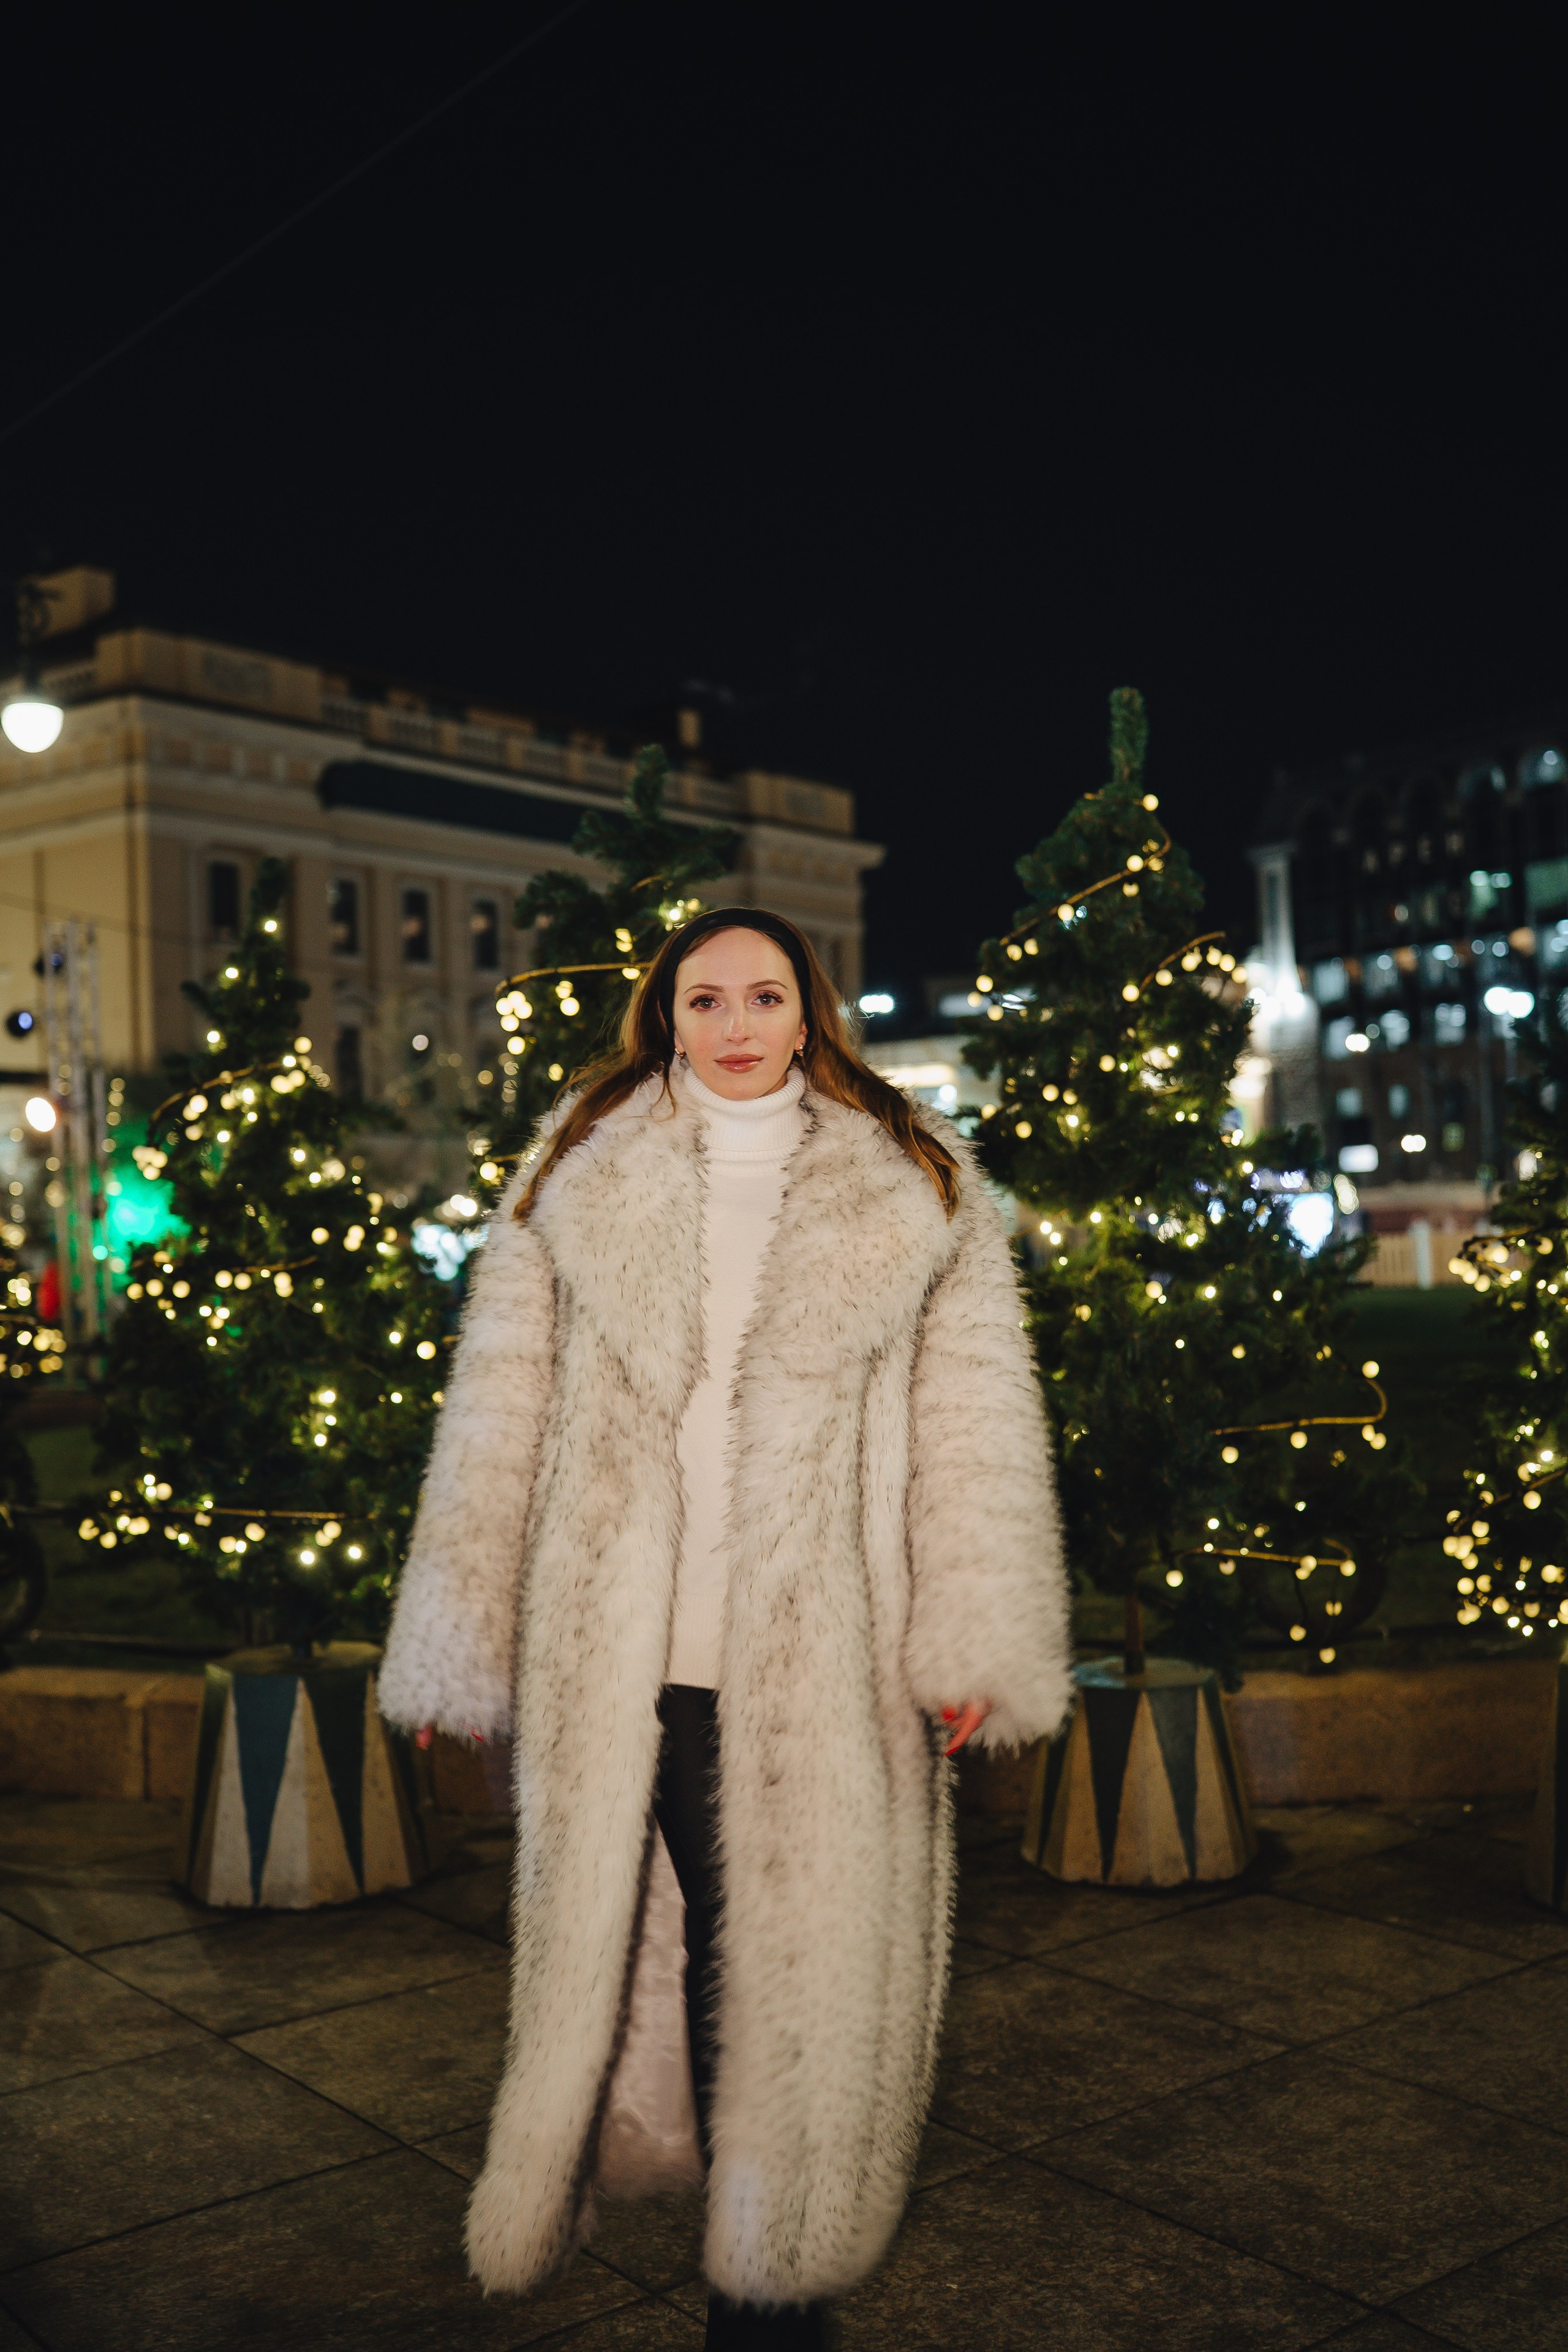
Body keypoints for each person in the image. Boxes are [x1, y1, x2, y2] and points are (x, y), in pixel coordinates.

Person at [378, 907, 1070, 2349]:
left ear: (809, 1013)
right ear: (667, 1015)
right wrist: (457, 1636)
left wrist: (975, 1637)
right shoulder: (577, 1172)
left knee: (780, 2002)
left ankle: (767, 2303)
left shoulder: (917, 1182)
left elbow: (977, 1433)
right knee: (659, 1963)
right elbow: (494, 1425)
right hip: (617, 1657)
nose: (737, 1026)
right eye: (707, 1000)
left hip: (826, 1664)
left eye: (765, 996)